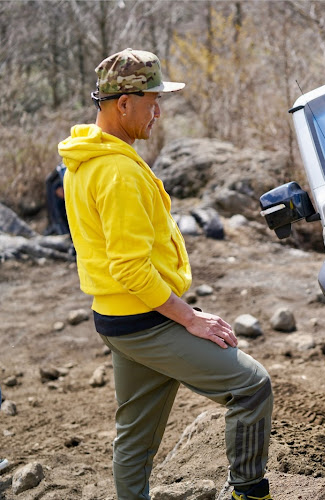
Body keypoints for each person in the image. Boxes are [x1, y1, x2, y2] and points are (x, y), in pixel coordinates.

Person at [57, 48, 273, 500]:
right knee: (251, 388)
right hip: (144, 319)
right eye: (153, 100)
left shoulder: (86, 158)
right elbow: (130, 265)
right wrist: (189, 318)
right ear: (123, 103)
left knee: (134, 437)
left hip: (117, 318)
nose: (158, 112)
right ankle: (250, 493)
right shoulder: (117, 171)